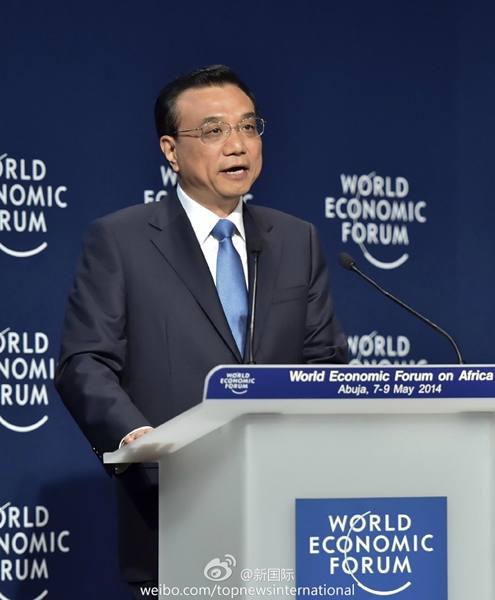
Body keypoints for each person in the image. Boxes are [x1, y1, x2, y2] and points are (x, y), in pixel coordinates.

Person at [55, 64, 348, 598]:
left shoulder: (296, 239)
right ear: (170, 150)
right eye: (214, 130)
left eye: (248, 126)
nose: (237, 144)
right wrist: (140, 439)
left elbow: (325, 364)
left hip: (286, 519)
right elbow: (85, 362)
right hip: (173, 509)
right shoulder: (121, 240)